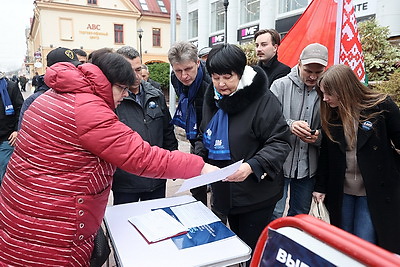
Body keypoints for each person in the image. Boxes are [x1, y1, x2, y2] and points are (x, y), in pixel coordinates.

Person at [0, 49, 217, 266]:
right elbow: (141, 157)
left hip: (26, 210)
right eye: (122, 88)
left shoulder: (51, 96)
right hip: (55, 223)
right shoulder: (88, 111)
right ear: (105, 81)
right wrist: (200, 167)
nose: (125, 94)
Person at [195, 43, 291, 256]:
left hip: (254, 195)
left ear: (240, 72)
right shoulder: (213, 98)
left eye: (227, 77)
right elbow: (204, 135)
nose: (220, 84)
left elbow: (280, 142)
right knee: (228, 250)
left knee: (253, 251)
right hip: (222, 191)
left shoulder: (263, 100)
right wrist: (198, 159)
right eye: (215, 77)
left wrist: (251, 166)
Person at [313, 64, 400, 254]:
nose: (325, 99)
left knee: (364, 241)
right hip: (341, 189)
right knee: (342, 239)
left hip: (374, 190)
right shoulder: (332, 113)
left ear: (343, 90)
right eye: (323, 94)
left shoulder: (382, 106)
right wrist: (320, 187)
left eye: (329, 94)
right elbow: (326, 155)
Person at [270, 43, 328, 220]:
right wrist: (290, 125)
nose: (312, 76)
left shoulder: (326, 90)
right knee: (274, 212)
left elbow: (332, 130)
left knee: (300, 215)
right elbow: (266, 122)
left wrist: (318, 136)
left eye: (318, 73)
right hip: (279, 164)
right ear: (299, 63)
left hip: (308, 167)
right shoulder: (280, 86)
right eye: (308, 70)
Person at [112, 46, 177, 204]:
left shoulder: (156, 95)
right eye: (131, 70)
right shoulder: (113, 100)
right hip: (126, 183)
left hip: (156, 179)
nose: (137, 75)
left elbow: (167, 131)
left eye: (138, 68)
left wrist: (173, 163)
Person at [168, 41, 212, 205]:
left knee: (215, 179)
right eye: (178, 70)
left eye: (188, 69)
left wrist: (201, 144)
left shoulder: (211, 81)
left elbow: (214, 118)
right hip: (193, 131)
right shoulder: (175, 78)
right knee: (195, 178)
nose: (184, 76)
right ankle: (199, 207)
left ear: (197, 63)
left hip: (212, 132)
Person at [18, 47, 82, 130]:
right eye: (64, 69)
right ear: (48, 70)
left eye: (74, 67)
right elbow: (25, 135)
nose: (73, 72)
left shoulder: (85, 95)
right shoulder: (34, 100)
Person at [0, 72, 23, 182]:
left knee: (4, 170)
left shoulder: (10, 86)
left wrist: (16, 130)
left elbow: (21, 109)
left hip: (7, 137)